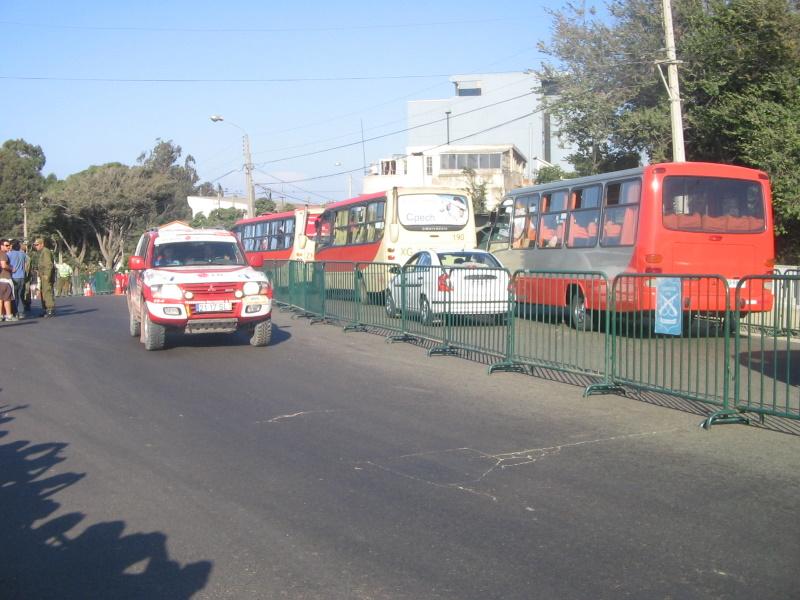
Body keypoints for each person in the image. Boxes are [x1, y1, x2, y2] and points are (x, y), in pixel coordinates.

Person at [33, 238, 56, 318]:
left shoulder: (45, 251)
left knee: (47, 292)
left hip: (46, 276)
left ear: (42, 244)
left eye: (37, 244)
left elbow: (48, 264)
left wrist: (47, 275)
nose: (36, 246)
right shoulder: (42, 252)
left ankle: (50, 309)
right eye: (35, 245)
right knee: (43, 292)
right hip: (43, 275)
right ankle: (45, 309)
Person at [7, 240, 29, 318]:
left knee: (14, 296)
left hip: (13, 277)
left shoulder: (9, 254)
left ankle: (15, 312)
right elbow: (27, 263)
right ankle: (21, 313)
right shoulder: (23, 254)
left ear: (12, 246)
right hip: (22, 277)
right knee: (20, 295)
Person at [0, 239, 16, 321]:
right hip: (5, 279)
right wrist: (11, 268)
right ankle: (9, 315)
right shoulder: (3, 254)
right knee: (7, 298)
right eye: (6, 245)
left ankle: (1, 315)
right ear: (1, 246)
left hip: (1, 279)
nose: (8, 247)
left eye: (9, 245)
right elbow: (3, 265)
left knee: (1, 298)